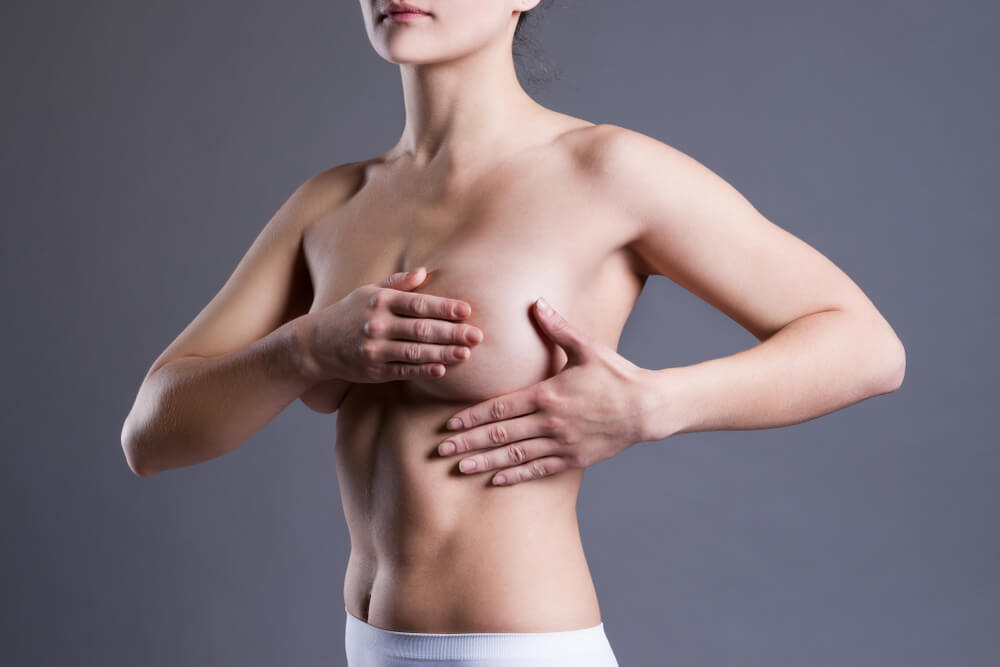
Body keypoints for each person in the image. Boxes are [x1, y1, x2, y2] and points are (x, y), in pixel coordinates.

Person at [121, 1, 906, 665]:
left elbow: (866, 346)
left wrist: (656, 405)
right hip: (367, 645)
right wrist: (305, 350)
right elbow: (151, 436)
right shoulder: (331, 204)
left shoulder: (605, 171)